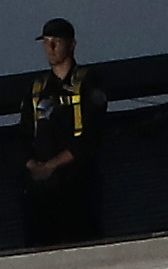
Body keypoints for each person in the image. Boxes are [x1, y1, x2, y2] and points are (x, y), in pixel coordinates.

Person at [18, 18, 107, 246]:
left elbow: (90, 137)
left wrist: (51, 165)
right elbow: (23, 135)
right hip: (43, 192)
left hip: (77, 186)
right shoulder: (37, 88)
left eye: (56, 41)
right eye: (46, 42)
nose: (51, 48)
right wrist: (32, 165)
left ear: (72, 45)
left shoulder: (87, 82)